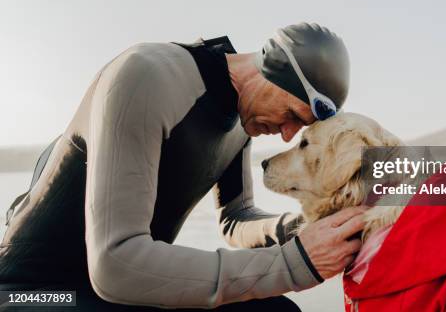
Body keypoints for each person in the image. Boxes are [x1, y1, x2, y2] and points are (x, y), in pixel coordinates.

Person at [0, 23, 364, 311]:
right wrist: (294, 263)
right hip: (35, 292)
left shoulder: (240, 126)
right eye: (290, 116)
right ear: (275, 69)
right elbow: (115, 263)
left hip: (126, 291)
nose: (286, 136)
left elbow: (235, 218)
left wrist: (308, 229)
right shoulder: (146, 75)